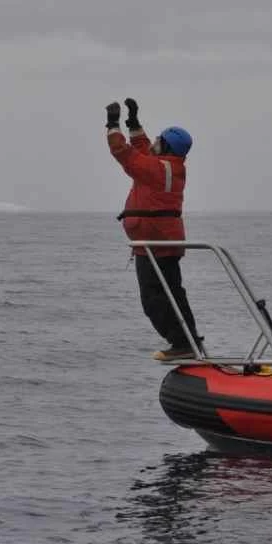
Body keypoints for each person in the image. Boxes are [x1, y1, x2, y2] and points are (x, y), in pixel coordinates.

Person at [106, 97, 203, 361]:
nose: (154, 142)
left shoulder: (156, 170)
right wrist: (133, 121)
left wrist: (112, 124)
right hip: (164, 243)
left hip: (154, 246)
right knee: (174, 294)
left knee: (154, 300)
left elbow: (124, 153)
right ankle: (190, 341)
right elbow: (143, 148)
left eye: (159, 140)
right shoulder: (169, 166)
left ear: (167, 146)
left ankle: (182, 343)